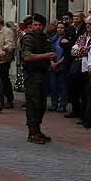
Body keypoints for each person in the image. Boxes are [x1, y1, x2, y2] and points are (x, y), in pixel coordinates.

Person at [20, 14, 54, 144]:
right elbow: (27, 56)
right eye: (35, 25)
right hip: (32, 75)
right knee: (33, 103)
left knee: (42, 104)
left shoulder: (44, 38)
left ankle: (37, 130)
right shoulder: (29, 38)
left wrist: (52, 63)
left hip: (43, 73)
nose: (37, 27)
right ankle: (32, 132)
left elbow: (49, 53)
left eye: (40, 25)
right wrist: (45, 56)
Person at [67, 16, 91, 120]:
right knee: (75, 89)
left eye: (90, 24)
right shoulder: (82, 36)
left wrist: (86, 50)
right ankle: (76, 111)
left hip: (88, 66)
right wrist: (82, 51)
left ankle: (85, 115)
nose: (88, 26)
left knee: (86, 92)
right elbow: (73, 51)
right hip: (78, 65)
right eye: (87, 24)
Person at [48, 21, 68, 112]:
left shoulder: (67, 40)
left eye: (62, 28)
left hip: (62, 65)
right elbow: (50, 51)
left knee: (62, 86)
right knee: (53, 85)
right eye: (58, 28)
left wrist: (58, 63)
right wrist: (52, 62)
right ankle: (54, 104)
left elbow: (67, 54)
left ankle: (62, 105)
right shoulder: (53, 39)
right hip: (53, 65)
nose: (59, 29)